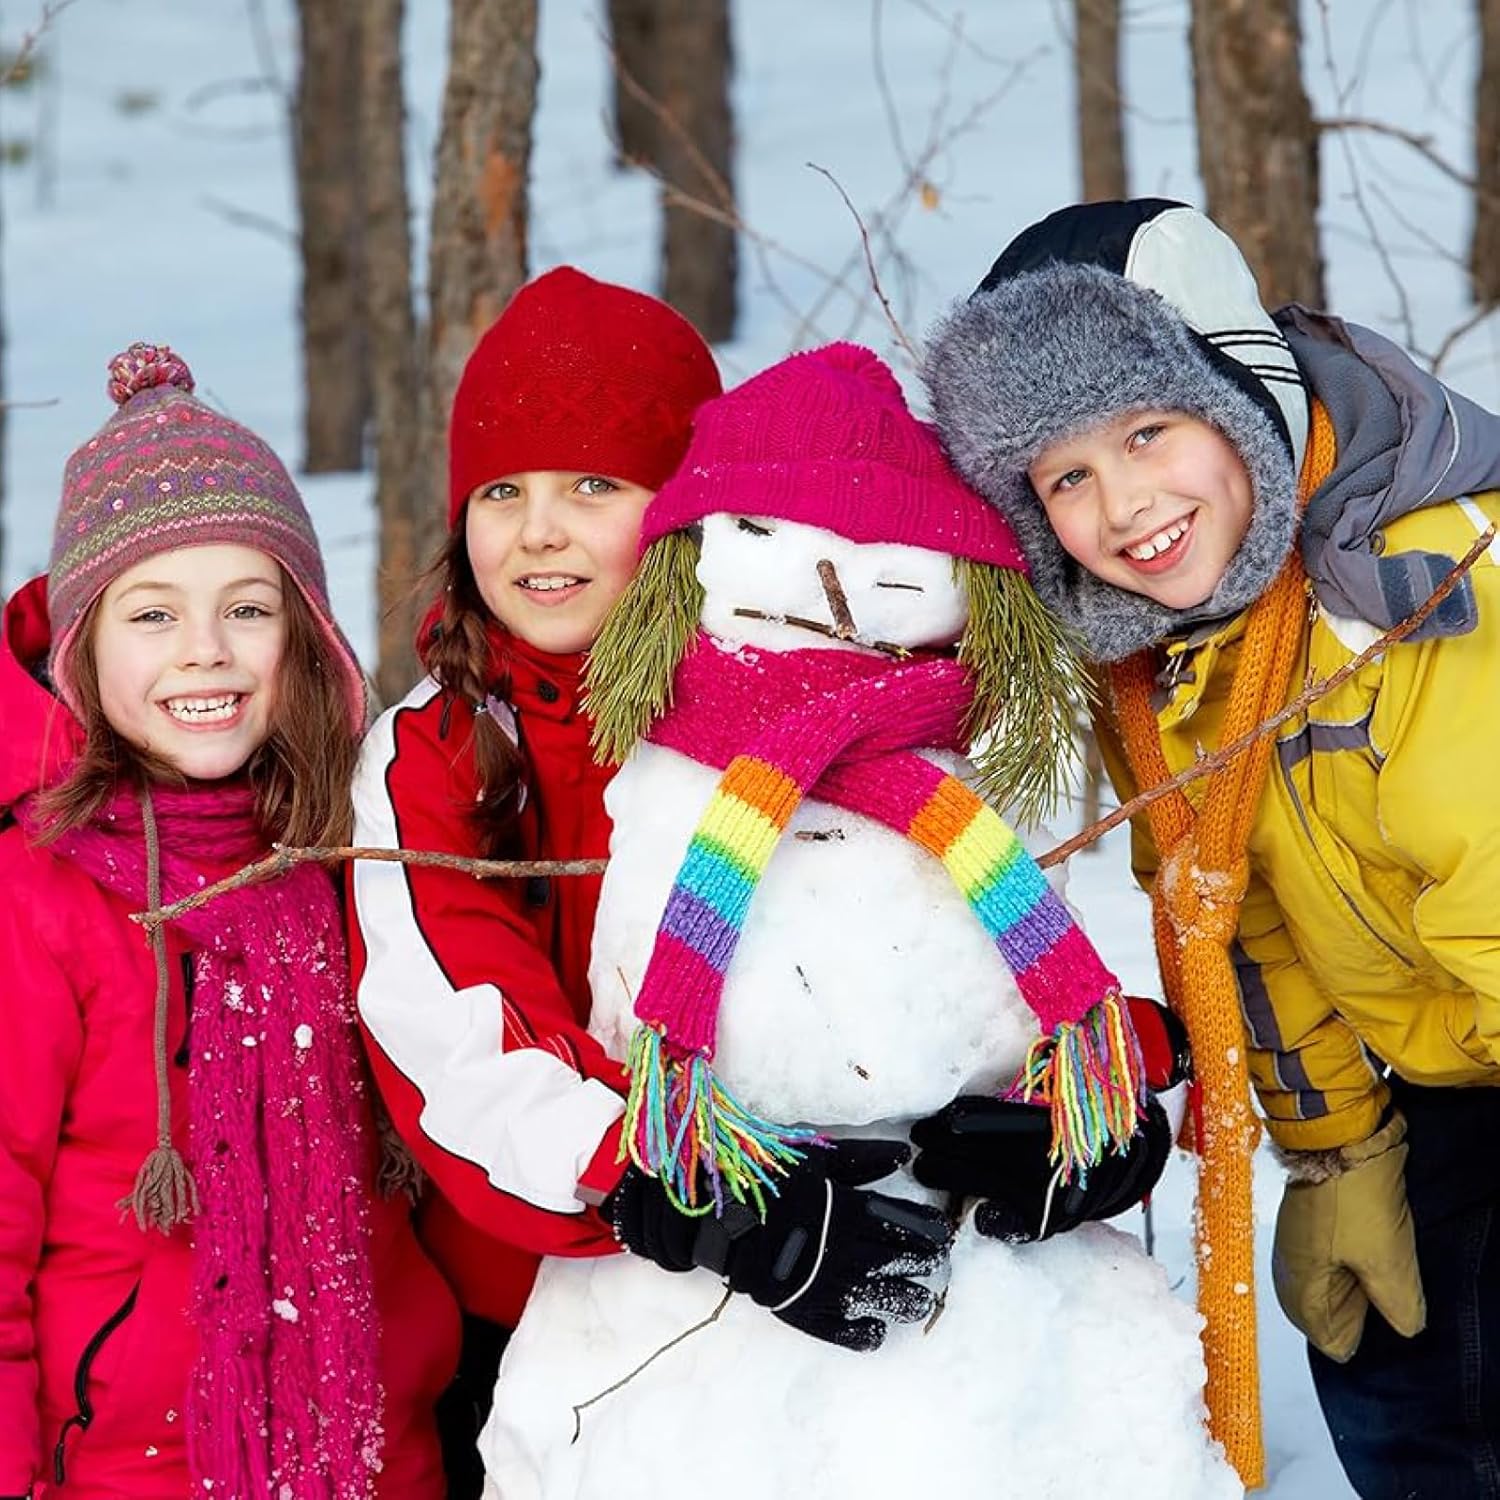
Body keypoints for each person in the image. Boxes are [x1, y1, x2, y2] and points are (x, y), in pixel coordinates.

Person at [924, 196, 1500, 1499]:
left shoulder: (1427, 594)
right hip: (1437, 1067)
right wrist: (1341, 1149)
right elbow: (1252, 921)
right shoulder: (1168, 664)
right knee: (1403, 1398)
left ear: (1244, 394)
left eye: (1148, 432)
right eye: (1067, 476)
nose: (1125, 504)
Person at [0, 343, 458, 1499]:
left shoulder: (360, 852)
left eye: (246, 607)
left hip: (372, 1450)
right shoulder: (37, 896)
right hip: (120, 1471)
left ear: (304, 639)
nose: (204, 648)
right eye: (151, 614)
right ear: (80, 652)